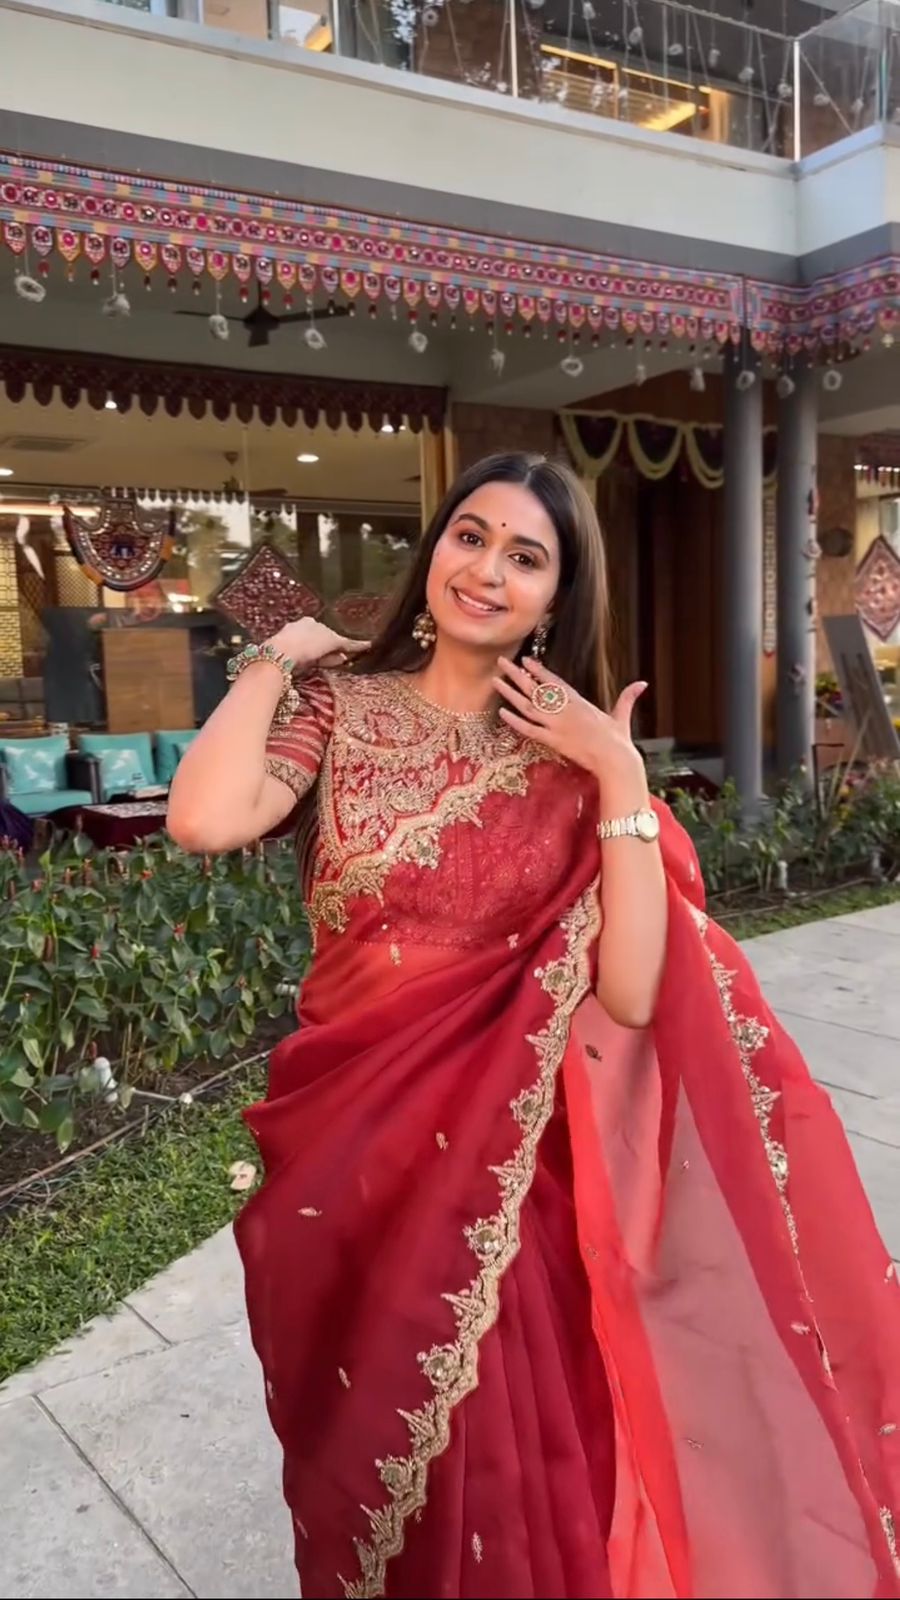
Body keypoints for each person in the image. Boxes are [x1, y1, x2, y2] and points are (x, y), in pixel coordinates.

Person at [168, 454, 900, 1600]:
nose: (486, 570)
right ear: (434, 553)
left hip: (509, 1185)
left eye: (525, 556)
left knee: (512, 1480)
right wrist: (279, 654)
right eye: (471, 536)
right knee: (365, 1457)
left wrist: (616, 776)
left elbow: (634, 992)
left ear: (556, 598)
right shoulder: (340, 710)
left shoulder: (569, 762)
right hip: (348, 1158)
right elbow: (206, 817)